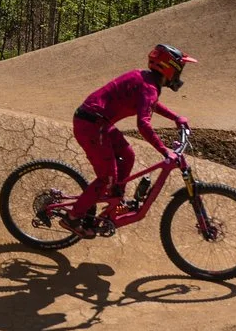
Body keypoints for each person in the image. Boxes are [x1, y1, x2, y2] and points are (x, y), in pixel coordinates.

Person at [70, 43, 196, 233]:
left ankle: (115, 200)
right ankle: (73, 218)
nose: (180, 75)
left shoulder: (146, 80)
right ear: (169, 69)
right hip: (92, 126)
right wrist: (164, 151)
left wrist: (175, 117)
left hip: (98, 123)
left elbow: (149, 103)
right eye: (180, 69)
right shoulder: (149, 87)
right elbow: (143, 124)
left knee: (128, 156)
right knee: (106, 177)